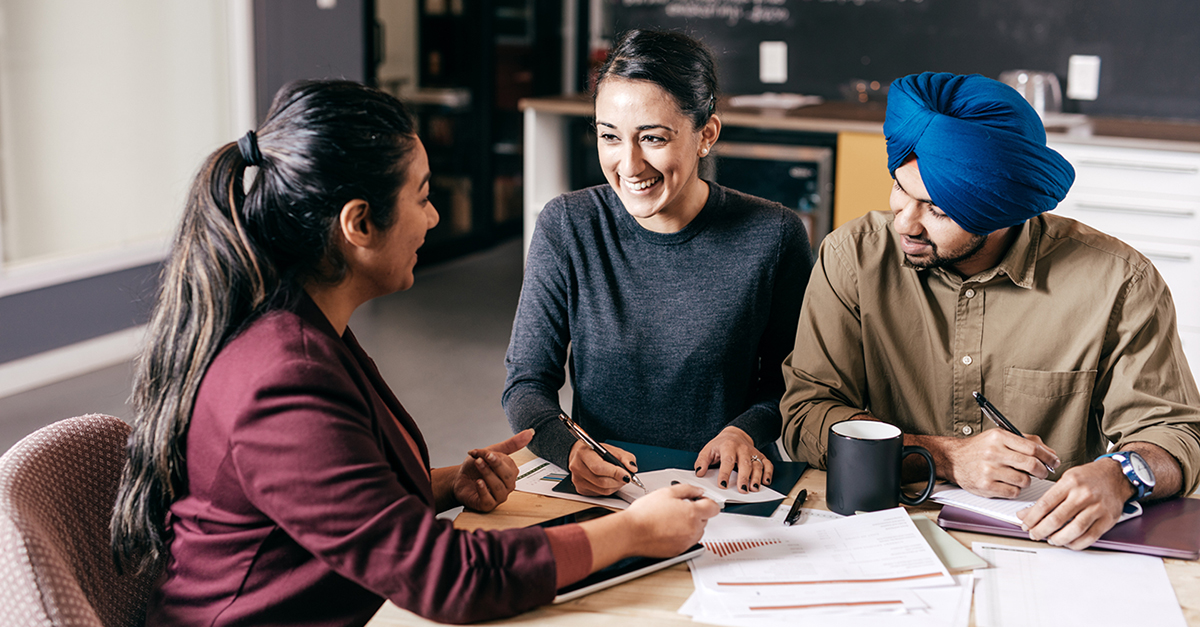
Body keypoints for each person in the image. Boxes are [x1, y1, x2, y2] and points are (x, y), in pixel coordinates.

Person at [109, 80, 718, 626]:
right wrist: (632, 531)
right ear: (358, 224)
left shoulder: (301, 327)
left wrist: (449, 485)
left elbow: (327, 504)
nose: (432, 218)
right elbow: (451, 580)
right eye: (422, 196)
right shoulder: (281, 377)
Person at [781, 71, 1200, 550]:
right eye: (900, 189)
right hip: (881, 529)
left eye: (938, 210)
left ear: (1001, 210)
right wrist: (944, 456)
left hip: (1047, 543)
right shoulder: (853, 257)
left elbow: (1174, 432)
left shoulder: (1117, 282)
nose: (906, 222)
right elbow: (805, 415)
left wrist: (1121, 474)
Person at [503, 29, 814, 497]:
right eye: (610, 137)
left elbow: (792, 382)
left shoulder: (774, 234)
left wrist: (745, 430)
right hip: (611, 490)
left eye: (651, 138)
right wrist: (569, 448)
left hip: (726, 488)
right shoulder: (567, 226)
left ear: (706, 134)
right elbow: (526, 383)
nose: (628, 165)